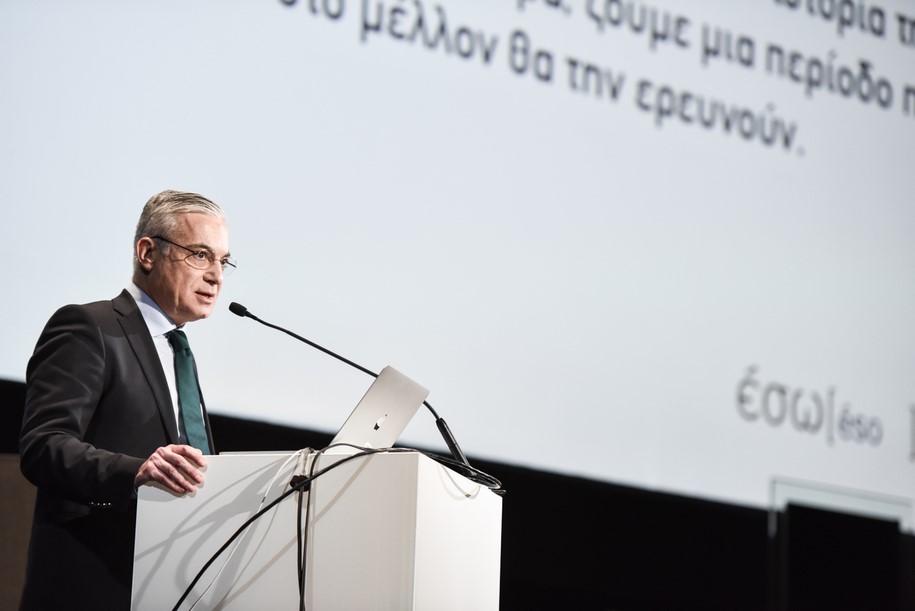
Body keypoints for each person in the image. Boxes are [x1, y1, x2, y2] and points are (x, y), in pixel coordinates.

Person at [18, 190, 233, 611]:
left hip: (171, 587)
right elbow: (43, 445)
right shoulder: (88, 327)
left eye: (224, 261)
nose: (216, 276)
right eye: (201, 255)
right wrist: (135, 472)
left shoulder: (178, 351)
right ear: (148, 252)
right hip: (95, 586)